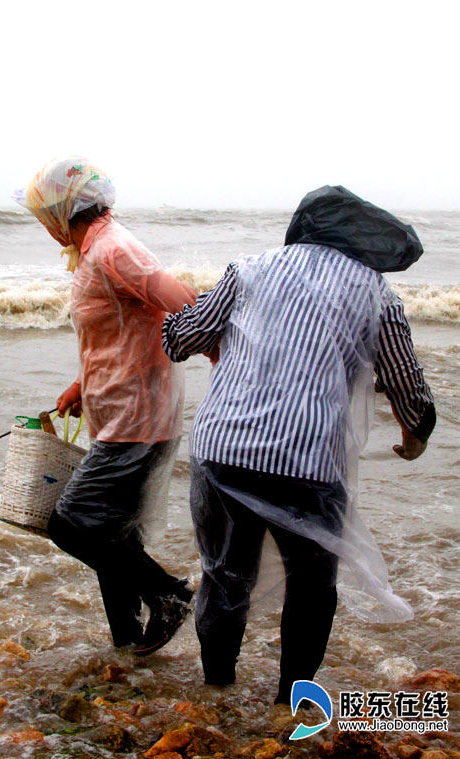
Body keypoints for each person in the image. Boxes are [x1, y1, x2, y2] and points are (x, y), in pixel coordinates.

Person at [162, 186, 436, 703]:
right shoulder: (374, 290)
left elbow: (185, 339)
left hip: (225, 450)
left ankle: (217, 687)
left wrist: (173, 325)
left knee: (224, 577)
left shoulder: (248, 268)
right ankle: (292, 701)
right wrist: (416, 435)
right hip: (308, 462)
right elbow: (406, 382)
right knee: (312, 588)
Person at [14, 156, 196, 655]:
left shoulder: (114, 249)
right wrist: (82, 383)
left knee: (71, 525)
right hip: (120, 412)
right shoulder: (96, 250)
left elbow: (184, 302)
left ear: (62, 210)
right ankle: (127, 646)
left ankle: (170, 596)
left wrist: (232, 365)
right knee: (111, 534)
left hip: (136, 419)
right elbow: (125, 329)